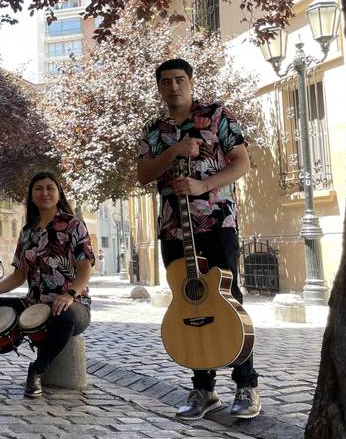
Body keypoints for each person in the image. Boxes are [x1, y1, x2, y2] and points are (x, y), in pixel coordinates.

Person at [137, 58, 261, 420]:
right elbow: (144, 173)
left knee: (227, 299)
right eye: (166, 82)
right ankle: (203, 389)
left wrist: (203, 185)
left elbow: (241, 162)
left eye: (179, 80)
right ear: (159, 88)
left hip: (216, 223)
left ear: (190, 82)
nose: (173, 87)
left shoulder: (218, 115)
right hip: (174, 227)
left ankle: (246, 385)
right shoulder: (154, 129)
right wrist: (173, 152)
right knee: (189, 300)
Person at [0, 171, 94, 398]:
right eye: (38, 188)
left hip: (73, 304)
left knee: (63, 315)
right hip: (33, 303)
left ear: (58, 193)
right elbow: (18, 276)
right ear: (32, 195)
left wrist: (69, 295)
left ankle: (37, 370)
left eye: (50, 188)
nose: (44, 193)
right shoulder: (28, 231)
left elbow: (86, 269)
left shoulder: (74, 225)